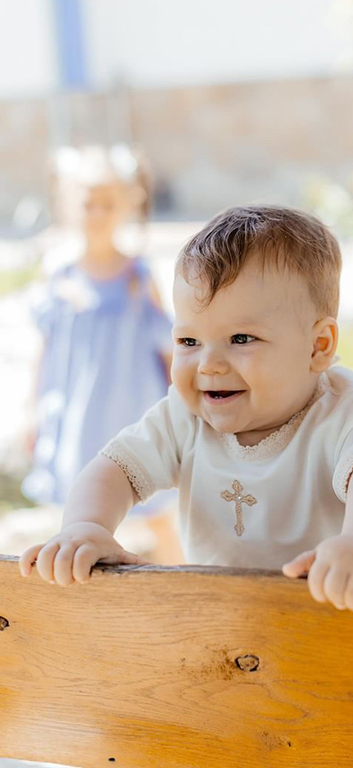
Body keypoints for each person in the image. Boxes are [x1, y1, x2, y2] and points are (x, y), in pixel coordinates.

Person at [20, 205, 353, 612]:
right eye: (189, 342)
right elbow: (115, 468)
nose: (208, 365)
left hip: (334, 612)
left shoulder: (345, 412)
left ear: (318, 346)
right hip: (223, 622)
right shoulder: (185, 417)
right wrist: (87, 525)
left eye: (241, 338)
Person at [21, 144, 182, 563]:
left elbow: (167, 346)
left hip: (129, 406)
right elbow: (45, 349)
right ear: (69, 207)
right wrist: (32, 410)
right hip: (78, 411)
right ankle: (72, 577)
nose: (97, 213)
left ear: (125, 207)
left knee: (155, 507)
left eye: (107, 204)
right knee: (76, 506)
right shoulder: (59, 275)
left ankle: (181, 577)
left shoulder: (138, 276)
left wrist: (180, 404)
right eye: (87, 204)